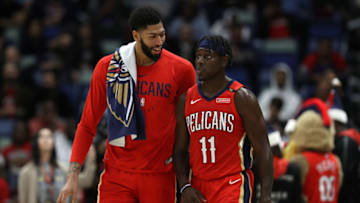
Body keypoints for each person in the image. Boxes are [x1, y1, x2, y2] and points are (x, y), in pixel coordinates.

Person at [57, 6, 196, 203]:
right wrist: (73, 176)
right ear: (136, 36)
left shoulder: (182, 70)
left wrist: (187, 181)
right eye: (152, 37)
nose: (159, 42)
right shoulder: (109, 67)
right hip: (117, 176)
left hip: (160, 175)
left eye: (162, 35)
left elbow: (191, 127)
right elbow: (87, 125)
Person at [173, 35, 273, 203]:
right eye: (198, 56)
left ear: (224, 61)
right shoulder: (186, 99)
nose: (200, 61)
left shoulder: (242, 97)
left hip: (232, 183)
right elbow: (180, 151)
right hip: (198, 186)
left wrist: (266, 196)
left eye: (207, 56)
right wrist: (184, 186)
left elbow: (263, 149)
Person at [18, 128, 96, 203]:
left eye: (49, 136)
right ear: (35, 142)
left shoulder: (63, 169)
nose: (46, 139)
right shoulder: (26, 172)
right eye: (42, 136)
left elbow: (86, 181)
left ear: (53, 142)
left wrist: (91, 159)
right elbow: (22, 200)